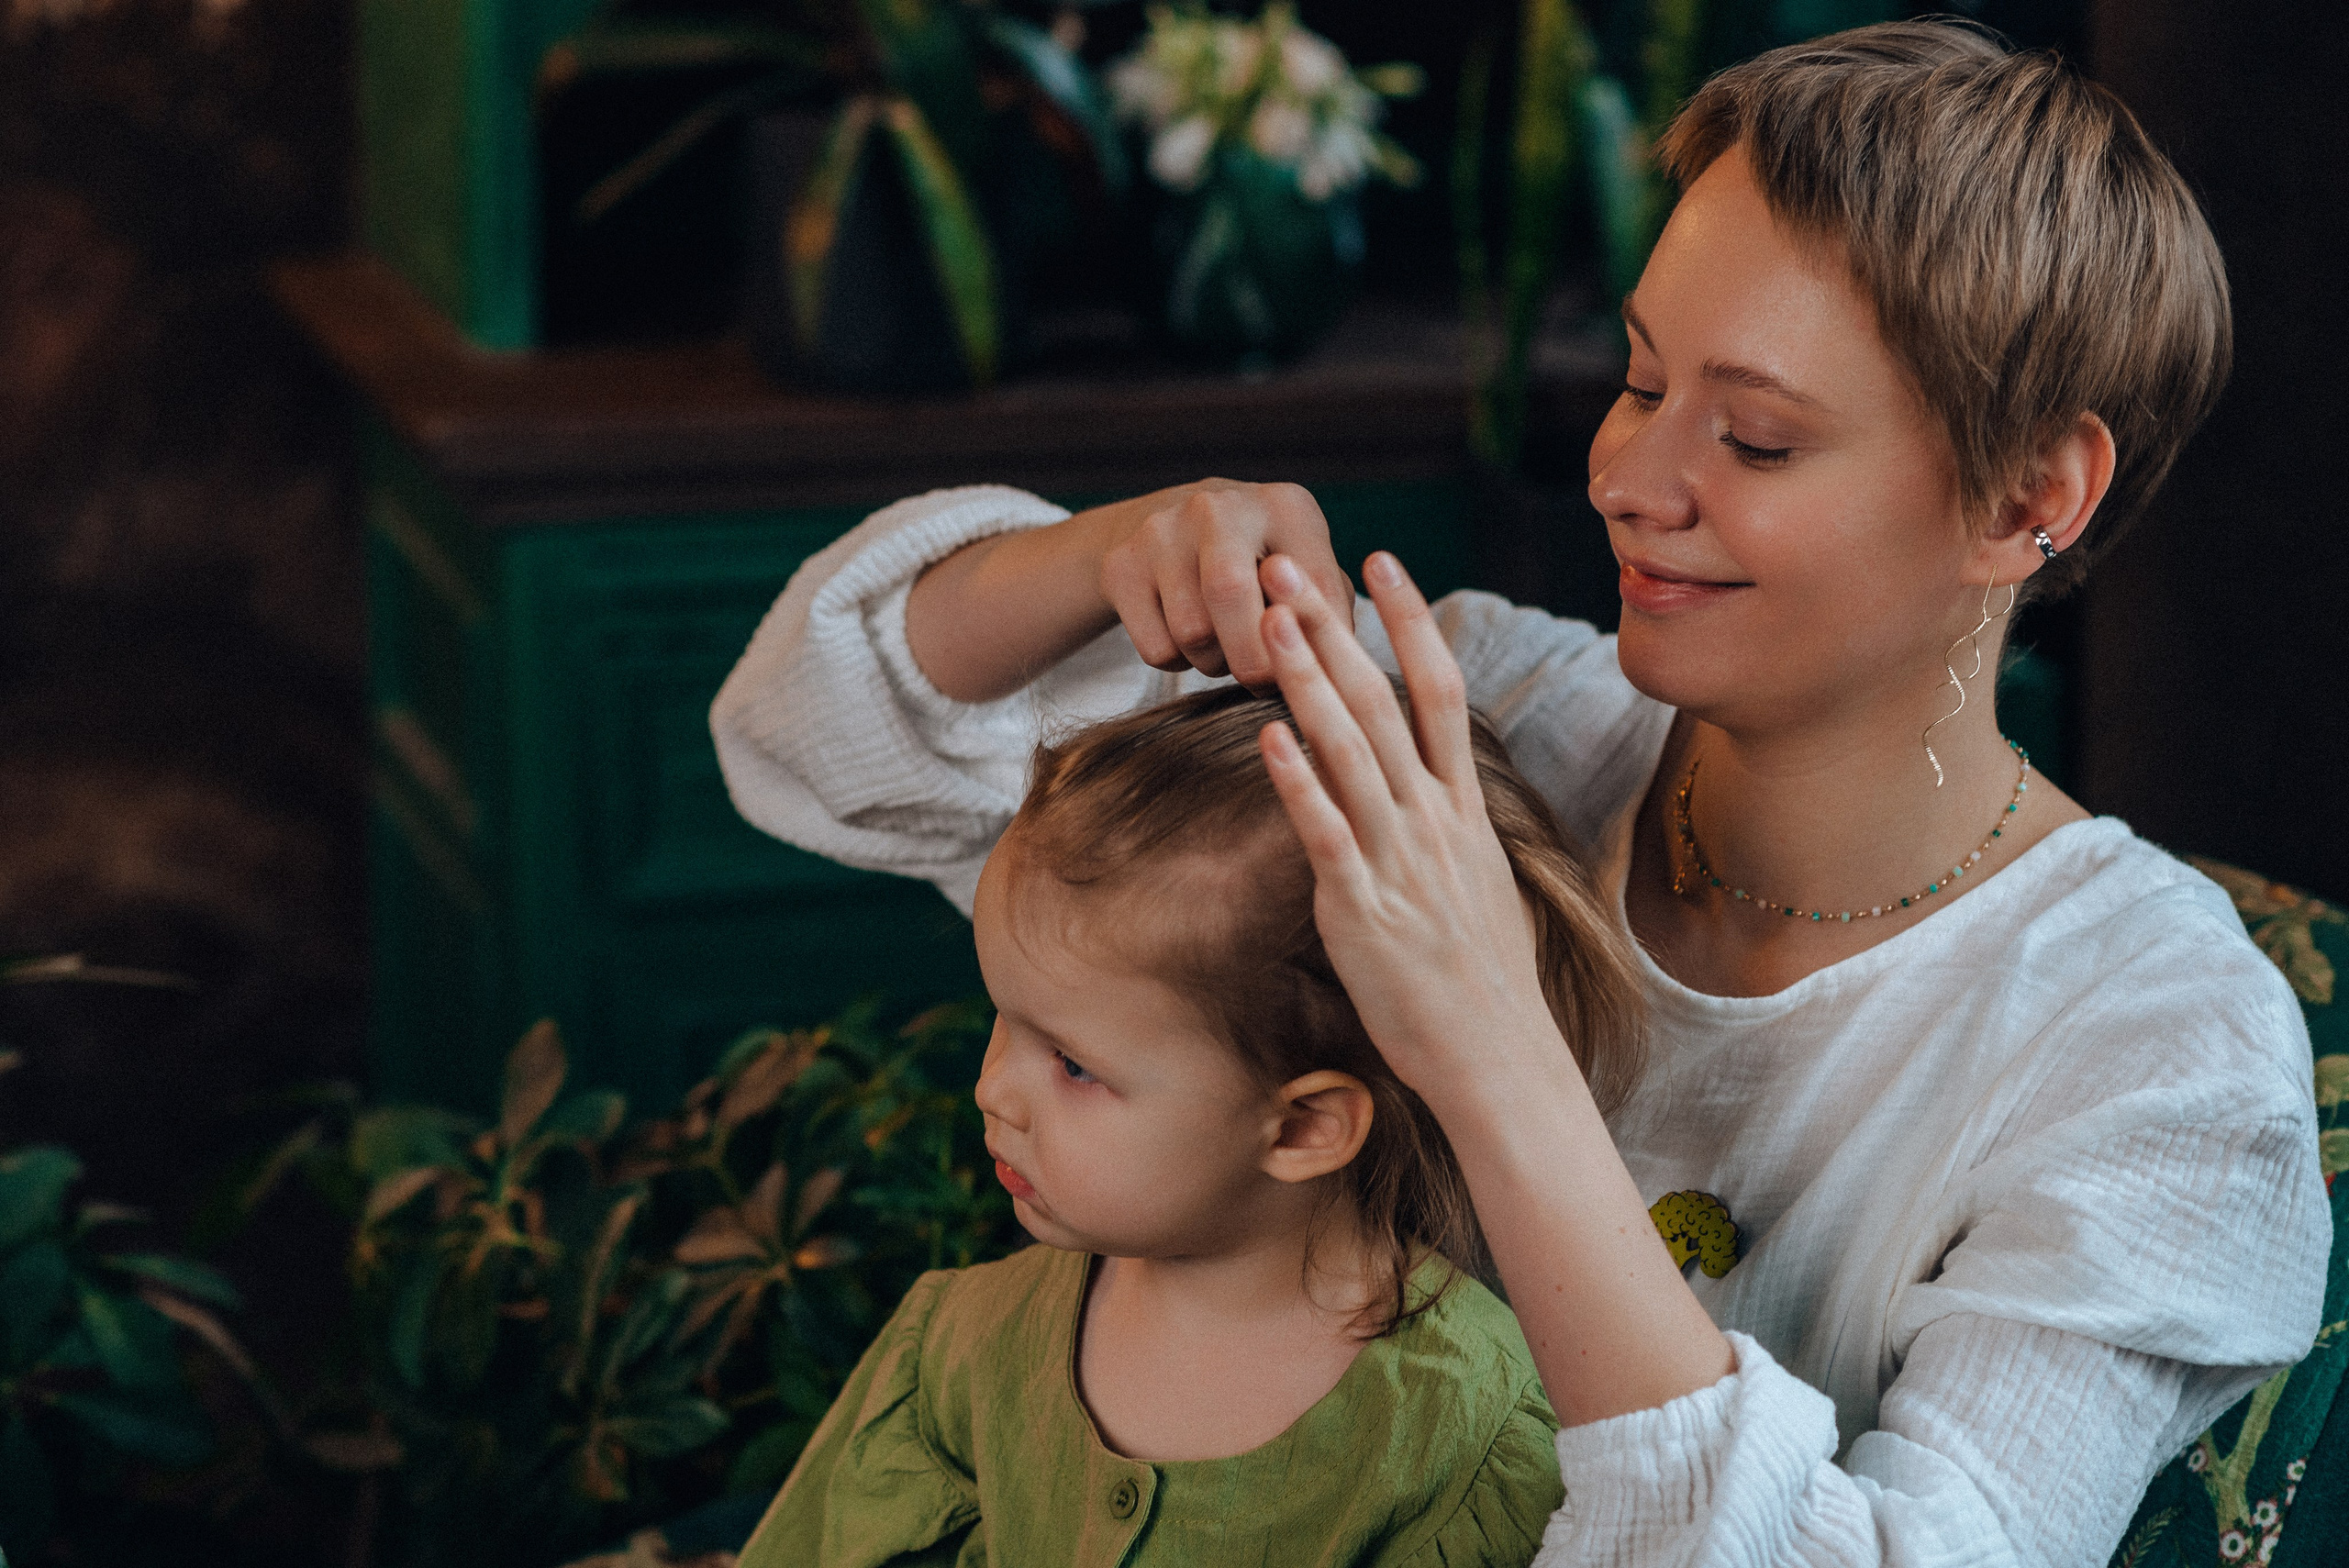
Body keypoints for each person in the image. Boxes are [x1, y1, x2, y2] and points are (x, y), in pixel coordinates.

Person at [711, 21, 2330, 1567]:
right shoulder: (1483, 710)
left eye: (1754, 438)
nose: (1629, 477)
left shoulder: (2160, 1050)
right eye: (1638, 380)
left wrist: (1489, 1035)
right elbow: (819, 736)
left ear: (2030, 497)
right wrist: (1100, 552)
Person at [737, 684, 1646, 1567]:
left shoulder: (1471, 1439)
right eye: (1003, 1021)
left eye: (1073, 1064)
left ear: (1302, 1127)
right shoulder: (963, 1351)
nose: (994, 1091)